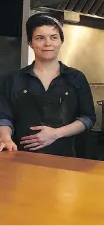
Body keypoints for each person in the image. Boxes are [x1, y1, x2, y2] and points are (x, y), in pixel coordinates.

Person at [0, 13, 96, 156]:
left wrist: (56, 133)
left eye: (53, 37)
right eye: (40, 38)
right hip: (20, 157)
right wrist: (5, 138)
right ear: (30, 43)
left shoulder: (76, 78)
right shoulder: (13, 79)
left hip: (66, 160)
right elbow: (4, 117)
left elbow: (88, 118)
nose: (47, 43)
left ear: (61, 41)